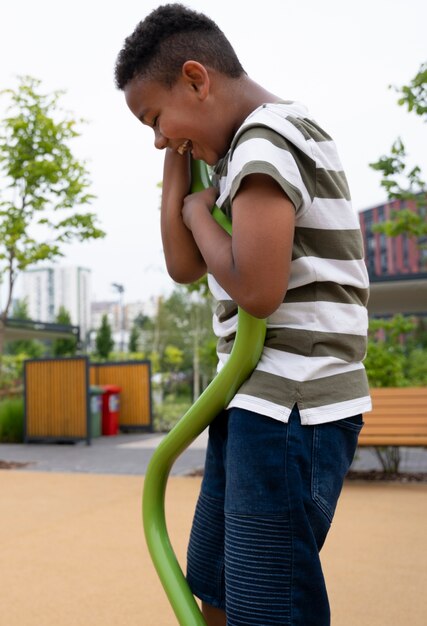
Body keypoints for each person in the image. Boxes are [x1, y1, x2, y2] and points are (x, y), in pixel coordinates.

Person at [115, 4, 372, 625]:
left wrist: (202, 212)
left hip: (291, 404)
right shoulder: (231, 157)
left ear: (198, 80)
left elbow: (258, 290)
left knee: (268, 605)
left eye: (155, 118)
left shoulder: (267, 140)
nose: (155, 137)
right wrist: (178, 155)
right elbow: (184, 264)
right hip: (251, 398)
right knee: (219, 588)